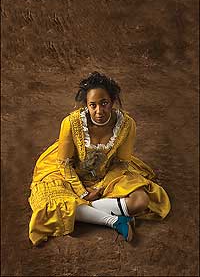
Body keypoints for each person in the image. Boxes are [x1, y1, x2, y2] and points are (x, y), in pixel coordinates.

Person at [28, 71, 170, 246]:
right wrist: (83, 193)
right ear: (86, 105)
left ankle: (79, 212)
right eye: (92, 105)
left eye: (104, 103)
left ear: (112, 102)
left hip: (108, 172)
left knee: (141, 201)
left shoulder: (126, 125)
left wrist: (99, 188)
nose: (99, 111)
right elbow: (64, 164)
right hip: (66, 172)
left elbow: (122, 163)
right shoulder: (71, 123)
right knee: (48, 206)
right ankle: (113, 221)